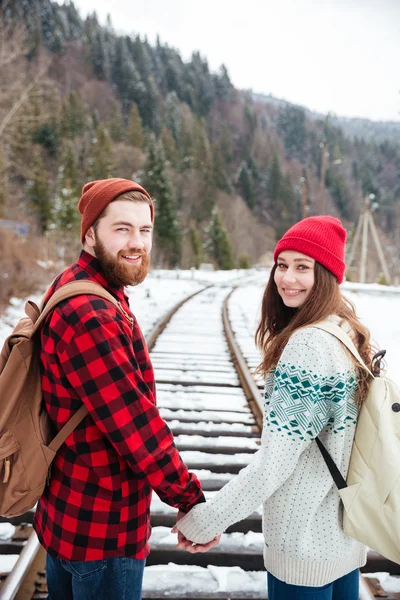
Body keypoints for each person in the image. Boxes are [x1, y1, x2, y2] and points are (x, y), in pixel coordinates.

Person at [174, 216, 374, 600]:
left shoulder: (308, 346)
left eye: (303, 268)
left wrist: (206, 521)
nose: (287, 278)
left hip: (303, 548)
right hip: (343, 541)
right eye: (282, 265)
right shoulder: (345, 331)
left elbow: (273, 466)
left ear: (328, 276)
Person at [33, 178, 213, 600]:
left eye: (144, 230)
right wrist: (188, 498)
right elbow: (135, 427)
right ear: (90, 233)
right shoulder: (91, 313)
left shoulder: (79, 284)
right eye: (122, 229)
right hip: (103, 530)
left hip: (69, 515)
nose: (136, 242)